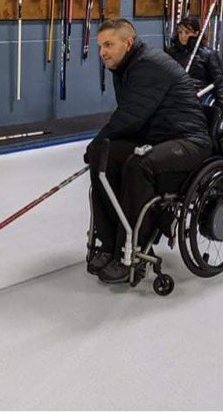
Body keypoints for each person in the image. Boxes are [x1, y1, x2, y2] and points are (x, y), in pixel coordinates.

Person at [84, 19, 212, 283]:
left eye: (108, 45)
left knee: (137, 165)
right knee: (103, 159)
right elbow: (133, 119)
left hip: (187, 140)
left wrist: (98, 141)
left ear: (128, 43)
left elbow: (130, 116)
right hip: (156, 137)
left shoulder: (148, 66)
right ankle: (109, 244)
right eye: (100, 47)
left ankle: (134, 250)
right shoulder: (125, 67)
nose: (102, 53)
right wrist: (100, 149)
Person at [166, 16, 223, 109]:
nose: (182, 36)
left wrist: (220, 108)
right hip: (176, 98)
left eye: (187, 32)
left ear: (196, 33)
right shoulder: (171, 52)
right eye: (180, 32)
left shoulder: (208, 54)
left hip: (199, 99)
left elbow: (219, 82)